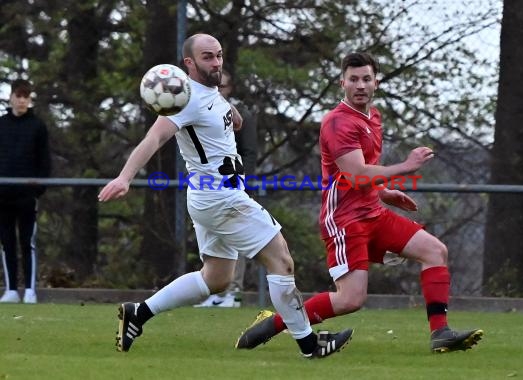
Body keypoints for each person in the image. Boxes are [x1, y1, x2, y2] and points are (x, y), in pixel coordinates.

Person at [98, 33, 352, 358]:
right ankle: (309, 344)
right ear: (188, 63)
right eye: (207, 57)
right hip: (221, 198)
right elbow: (154, 137)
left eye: (218, 55)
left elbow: (213, 110)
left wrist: (229, 110)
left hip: (210, 197)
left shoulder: (210, 95)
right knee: (282, 260)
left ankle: (139, 313)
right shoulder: (183, 99)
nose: (216, 62)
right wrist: (125, 176)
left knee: (216, 278)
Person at [235, 52, 484, 353]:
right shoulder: (338, 122)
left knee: (434, 251)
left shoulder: (372, 117)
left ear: (376, 83)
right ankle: (272, 325)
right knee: (350, 299)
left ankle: (440, 333)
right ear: (342, 83)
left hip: (373, 213)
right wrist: (406, 166)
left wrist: (384, 193)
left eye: (366, 79)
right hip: (345, 221)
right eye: (353, 79)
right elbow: (356, 174)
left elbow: (358, 176)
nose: (360, 85)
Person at [195, 69, 257, 308]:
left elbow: (249, 152)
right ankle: (213, 289)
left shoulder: (242, 115)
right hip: (207, 187)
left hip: (233, 184)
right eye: (215, 86)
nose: (218, 91)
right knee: (211, 237)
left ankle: (233, 292)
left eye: (223, 87)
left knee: (236, 238)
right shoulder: (200, 111)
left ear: (230, 89)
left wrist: (242, 183)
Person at [0, 78, 51, 304]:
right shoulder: (1, 124)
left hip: (27, 196)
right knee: (6, 242)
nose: (21, 101)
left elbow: (44, 161)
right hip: (3, 195)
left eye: (26, 97)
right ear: (11, 97)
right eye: (18, 96)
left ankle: (30, 290)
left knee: (27, 242)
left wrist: (37, 190)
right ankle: (11, 289)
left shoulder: (38, 126)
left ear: (29, 100)